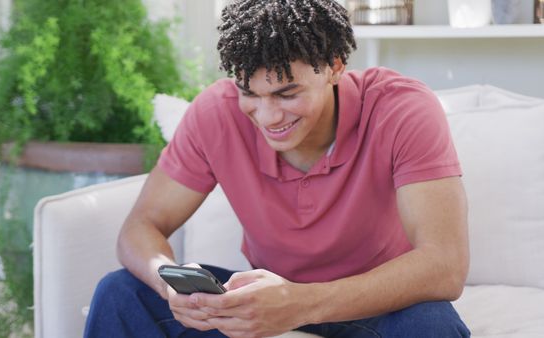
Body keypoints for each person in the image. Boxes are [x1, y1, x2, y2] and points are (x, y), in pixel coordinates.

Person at [84, 0, 471, 337]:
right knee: (120, 293)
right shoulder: (215, 114)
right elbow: (141, 227)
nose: (267, 116)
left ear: (334, 67)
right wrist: (169, 284)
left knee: (432, 325)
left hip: (373, 304)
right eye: (249, 93)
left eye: (287, 93)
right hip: (262, 303)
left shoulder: (401, 109)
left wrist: (300, 302)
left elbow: (444, 265)